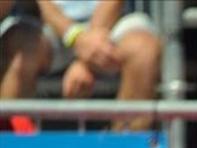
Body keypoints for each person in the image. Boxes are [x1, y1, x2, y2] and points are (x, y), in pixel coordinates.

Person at [0, 0, 161, 129]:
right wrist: (75, 37)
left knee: (143, 51)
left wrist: (86, 59)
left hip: (113, 22)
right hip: (46, 24)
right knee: (18, 48)